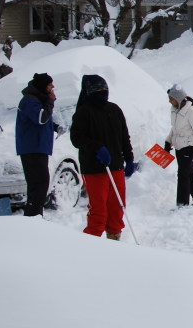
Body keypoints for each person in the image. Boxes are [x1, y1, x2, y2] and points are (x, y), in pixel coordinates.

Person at [70, 74, 135, 239]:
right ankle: (92, 243)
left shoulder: (114, 109)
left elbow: (124, 136)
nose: (102, 92)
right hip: (94, 169)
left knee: (117, 208)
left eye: (104, 89)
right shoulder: (83, 112)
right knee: (98, 210)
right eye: (98, 89)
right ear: (89, 91)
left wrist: (129, 158)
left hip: (116, 166)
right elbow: (76, 138)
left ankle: (114, 239)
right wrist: (96, 147)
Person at [14, 72, 62, 217]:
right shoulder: (29, 101)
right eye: (49, 84)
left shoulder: (37, 99)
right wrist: (50, 102)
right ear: (42, 86)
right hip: (32, 148)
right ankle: (33, 216)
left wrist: (54, 126)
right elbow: (40, 118)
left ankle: (35, 215)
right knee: (39, 184)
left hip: (38, 147)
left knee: (40, 184)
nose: (53, 87)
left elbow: (42, 120)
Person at [163, 84, 193, 208]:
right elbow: (175, 129)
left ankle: (182, 204)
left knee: (182, 173)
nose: (169, 101)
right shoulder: (175, 110)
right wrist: (168, 142)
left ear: (178, 99)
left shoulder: (191, 111)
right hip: (179, 145)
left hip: (189, 145)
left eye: (171, 98)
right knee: (188, 171)